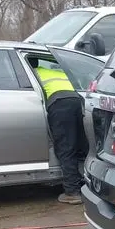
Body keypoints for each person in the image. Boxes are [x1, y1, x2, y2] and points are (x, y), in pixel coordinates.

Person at [29, 57, 86, 204]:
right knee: (82, 148)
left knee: (66, 148)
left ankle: (72, 192)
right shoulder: (55, 71)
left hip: (60, 106)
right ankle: (89, 187)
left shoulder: (32, 73)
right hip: (78, 102)